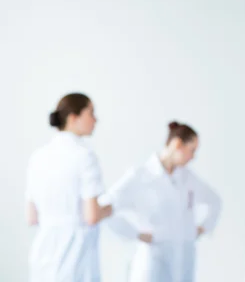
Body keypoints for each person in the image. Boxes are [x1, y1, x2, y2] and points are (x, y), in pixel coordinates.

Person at [100, 121, 222, 282]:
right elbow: (102, 207)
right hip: (152, 263)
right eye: (192, 150)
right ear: (178, 144)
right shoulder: (140, 176)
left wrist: (202, 228)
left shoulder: (188, 177)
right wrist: (135, 233)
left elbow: (215, 201)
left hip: (183, 261)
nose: (193, 157)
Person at [25, 93, 112, 281]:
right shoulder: (84, 156)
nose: (95, 119)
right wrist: (110, 209)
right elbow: (92, 216)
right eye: (91, 113)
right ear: (73, 118)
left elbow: (31, 217)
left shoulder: (37, 157)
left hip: (43, 255)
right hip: (75, 257)